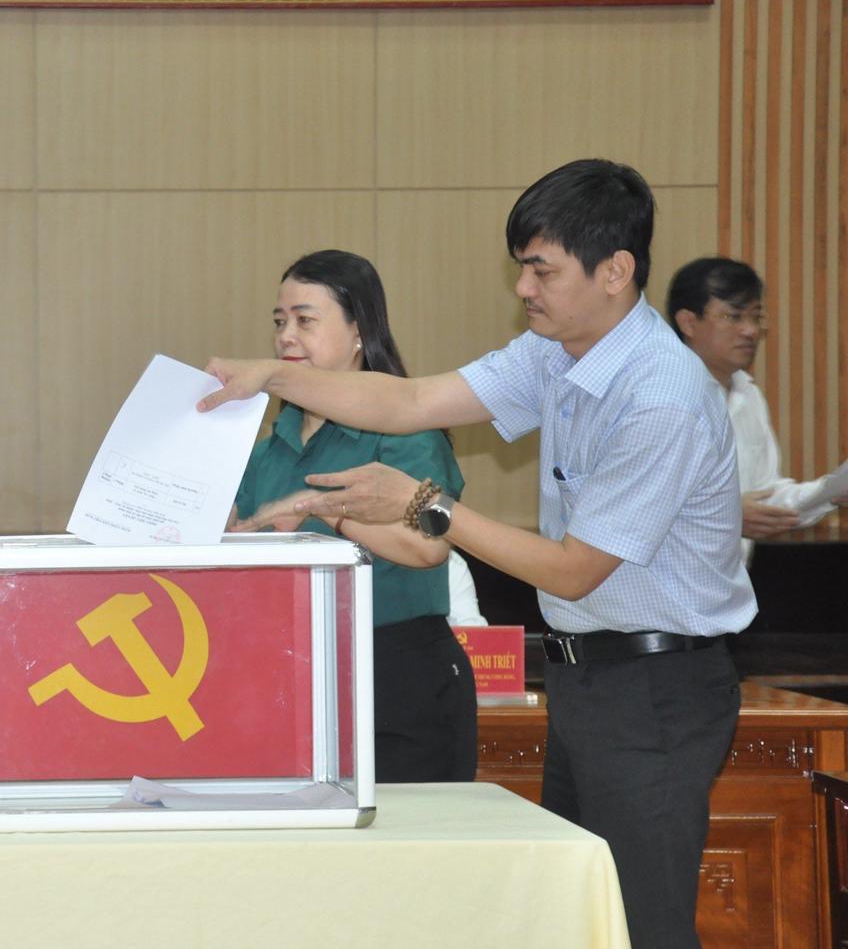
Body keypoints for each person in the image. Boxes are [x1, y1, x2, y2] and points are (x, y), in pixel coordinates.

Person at [199, 159, 755, 949]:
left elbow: (573, 568)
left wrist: (425, 505)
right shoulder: (556, 353)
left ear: (614, 271)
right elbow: (412, 398)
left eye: (541, 270)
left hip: (656, 686)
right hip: (587, 677)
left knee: (643, 925)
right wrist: (270, 376)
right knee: (582, 920)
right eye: (522, 266)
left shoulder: (659, 395)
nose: (522, 287)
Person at [230, 250, 476, 782]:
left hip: (395, 670)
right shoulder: (267, 448)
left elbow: (428, 546)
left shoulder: (405, 432)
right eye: (279, 322)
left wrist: (324, 512)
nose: (286, 337)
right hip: (288, 671)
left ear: (359, 331)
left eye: (305, 321)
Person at [666, 256, 848, 560]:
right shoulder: (663, 396)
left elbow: (764, 495)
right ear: (688, 322)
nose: (750, 331)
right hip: (668, 582)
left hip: (734, 580)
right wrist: (727, 515)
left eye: (756, 317)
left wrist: (830, 492)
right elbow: (639, 508)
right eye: (733, 316)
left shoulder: (748, 394)